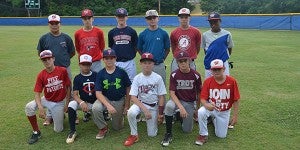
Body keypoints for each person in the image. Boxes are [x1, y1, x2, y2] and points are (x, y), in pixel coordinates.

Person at [25, 50, 71, 144]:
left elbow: (68, 87)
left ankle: (57, 114)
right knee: (29, 107)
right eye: (44, 60)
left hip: (59, 102)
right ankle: (36, 131)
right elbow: (37, 93)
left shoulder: (62, 71)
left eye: (48, 58)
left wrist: (67, 104)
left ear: (53, 59)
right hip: (46, 99)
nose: (47, 61)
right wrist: (40, 107)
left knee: (58, 130)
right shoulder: (41, 75)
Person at [37, 14, 75, 126]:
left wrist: (63, 62)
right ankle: (50, 116)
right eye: (52, 23)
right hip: (50, 70)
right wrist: (50, 64)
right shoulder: (44, 38)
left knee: (70, 91)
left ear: (60, 24)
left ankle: (73, 115)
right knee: (51, 92)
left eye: (56, 23)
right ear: (49, 24)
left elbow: (71, 52)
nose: (54, 25)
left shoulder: (66, 38)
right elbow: (40, 53)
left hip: (64, 68)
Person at [124, 52, 166, 147]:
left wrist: (160, 113)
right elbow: (133, 97)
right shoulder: (137, 78)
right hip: (140, 104)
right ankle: (134, 135)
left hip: (153, 105)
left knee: (152, 134)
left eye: (149, 63)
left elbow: (161, 97)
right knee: (131, 112)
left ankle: (152, 122)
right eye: (144, 63)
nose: (147, 65)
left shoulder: (158, 78)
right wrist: (145, 110)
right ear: (141, 64)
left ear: (153, 64)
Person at [161, 51, 202, 147]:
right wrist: (181, 107)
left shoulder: (196, 75)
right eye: (180, 61)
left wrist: (197, 109)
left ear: (189, 61)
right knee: (169, 106)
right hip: (176, 100)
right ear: (177, 63)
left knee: (187, 130)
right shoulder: (174, 74)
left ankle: (179, 116)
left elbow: (199, 92)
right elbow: (172, 93)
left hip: (189, 102)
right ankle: (168, 133)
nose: (183, 63)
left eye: (185, 61)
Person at [195, 59, 240, 146]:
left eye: (219, 69)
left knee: (221, 136)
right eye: (214, 69)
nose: (216, 71)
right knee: (201, 111)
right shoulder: (208, 81)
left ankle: (214, 119)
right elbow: (203, 98)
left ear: (223, 69)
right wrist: (206, 105)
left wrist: (235, 116)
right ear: (211, 70)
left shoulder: (232, 81)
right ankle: (203, 134)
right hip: (211, 108)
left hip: (224, 111)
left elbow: (236, 99)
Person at [92, 49, 131, 140]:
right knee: (96, 108)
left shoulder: (121, 72)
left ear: (115, 59)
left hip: (119, 99)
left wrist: (127, 105)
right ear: (103, 59)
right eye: (106, 58)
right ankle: (103, 128)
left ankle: (119, 117)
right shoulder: (101, 73)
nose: (109, 60)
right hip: (106, 98)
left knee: (117, 128)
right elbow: (98, 93)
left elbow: (128, 88)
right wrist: (108, 105)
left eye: (111, 58)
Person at [66, 54, 98, 144]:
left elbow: (100, 91)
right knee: (71, 104)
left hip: (96, 103)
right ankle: (72, 131)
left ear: (91, 64)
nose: (86, 66)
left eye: (88, 64)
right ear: (80, 64)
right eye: (83, 64)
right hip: (84, 102)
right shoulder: (77, 78)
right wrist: (81, 102)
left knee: (98, 124)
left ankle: (101, 113)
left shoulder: (96, 75)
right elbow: (75, 94)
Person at [137, 9, 170, 84]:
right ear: (146, 20)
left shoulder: (163, 33)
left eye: (154, 17)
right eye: (149, 18)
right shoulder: (143, 34)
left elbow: (167, 49)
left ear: (158, 18)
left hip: (159, 64)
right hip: (147, 65)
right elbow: (139, 48)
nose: (152, 20)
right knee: (146, 87)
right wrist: (145, 58)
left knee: (161, 87)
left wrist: (162, 59)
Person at [108, 8, 138, 82]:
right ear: (116, 17)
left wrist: (130, 54)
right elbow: (111, 46)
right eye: (119, 16)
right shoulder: (112, 32)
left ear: (127, 17)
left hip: (129, 62)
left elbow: (135, 46)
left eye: (123, 16)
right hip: (116, 62)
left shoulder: (132, 31)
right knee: (117, 83)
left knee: (131, 83)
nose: (121, 18)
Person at [201, 12, 234, 79]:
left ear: (220, 21)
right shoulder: (205, 35)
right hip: (209, 63)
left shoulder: (227, 34)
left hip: (223, 63)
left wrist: (225, 58)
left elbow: (229, 48)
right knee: (209, 84)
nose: (213, 24)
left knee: (225, 83)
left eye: (215, 21)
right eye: (211, 22)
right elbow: (205, 49)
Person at [170, 8, 201, 72]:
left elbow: (197, 47)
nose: (184, 19)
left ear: (189, 18)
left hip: (190, 61)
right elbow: (173, 48)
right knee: (175, 80)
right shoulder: (174, 32)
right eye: (181, 17)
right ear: (179, 18)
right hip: (177, 61)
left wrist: (191, 56)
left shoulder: (196, 31)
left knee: (191, 81)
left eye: (186, 17)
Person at [75, 9, 105, 73]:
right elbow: (78, 48)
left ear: (93, 19)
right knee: (84, 81)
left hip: (96, 62)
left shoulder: (99, 32)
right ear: (82, 20)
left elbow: (102, 47)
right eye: (85, 18)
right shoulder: (78, 33)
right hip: (83, 62)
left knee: (97, 80)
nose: (87, 20)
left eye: (89, 18)